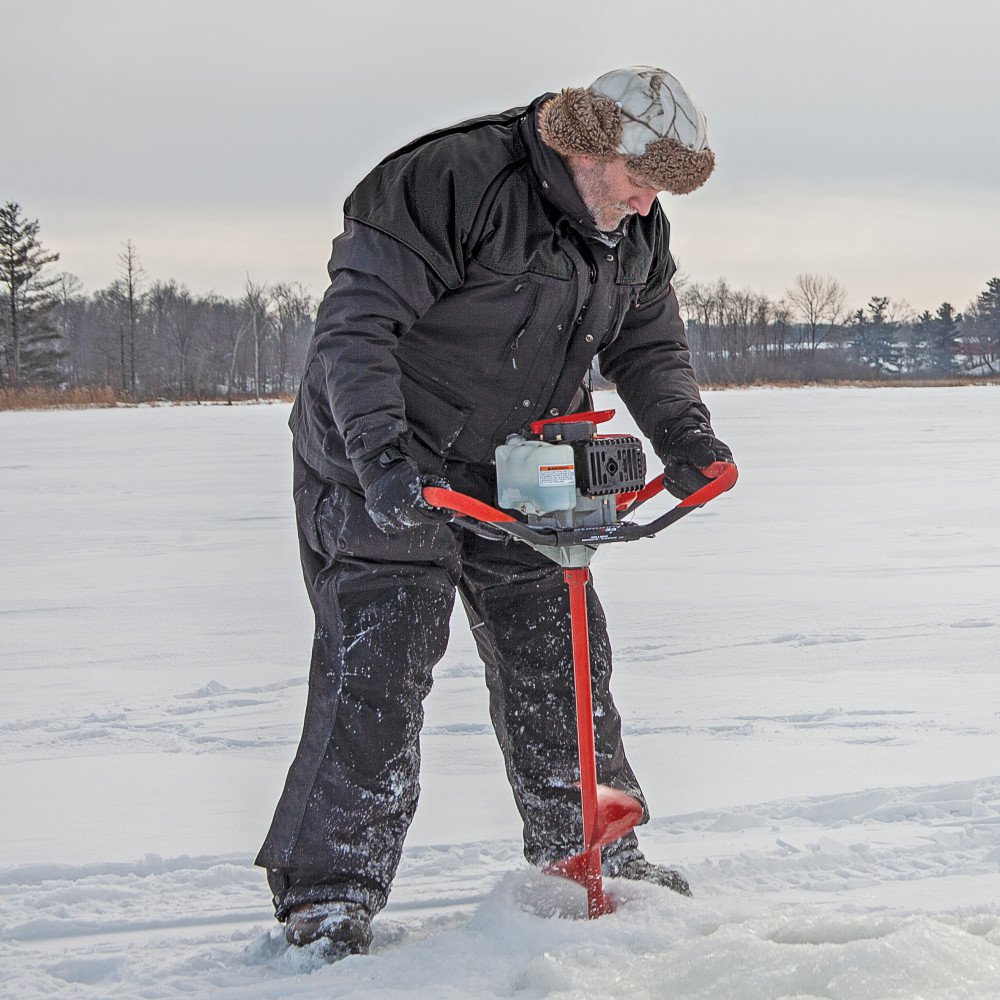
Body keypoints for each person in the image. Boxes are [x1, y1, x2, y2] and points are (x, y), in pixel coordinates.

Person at [256, 66, 735, 956]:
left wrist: (688, 438)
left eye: (663, 189)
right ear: (594, 148)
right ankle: (327, 896)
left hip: (520, 472)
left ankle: (590, 852)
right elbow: (355, 330)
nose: (649, 201)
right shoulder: (448, 179)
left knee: (564, 666)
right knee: (380, 677)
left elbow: (649, 339)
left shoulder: (633, 226)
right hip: (382, 464)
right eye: (644, 179)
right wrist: (380, 459)